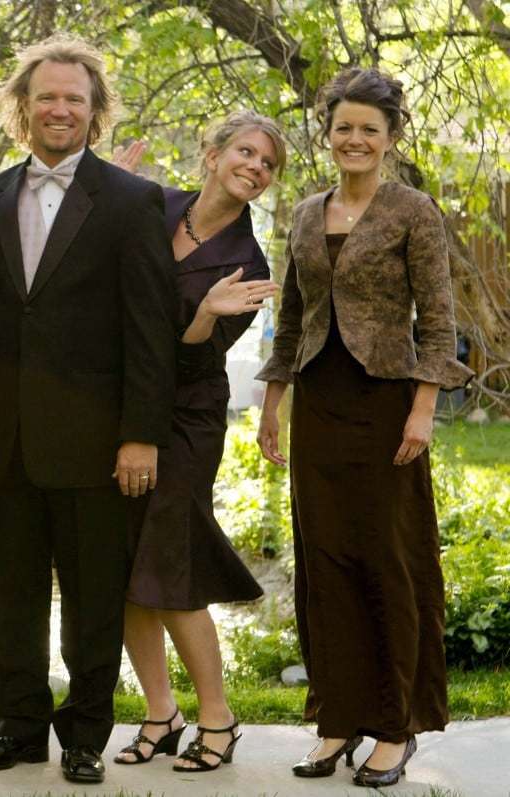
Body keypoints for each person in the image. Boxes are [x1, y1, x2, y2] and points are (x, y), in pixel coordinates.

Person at [0, 35, 177, 784]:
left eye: (74, 99)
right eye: (46, 96)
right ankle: (17, 727)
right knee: (9, 595)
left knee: (90, 602)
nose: (60, 109)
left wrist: (141, 435)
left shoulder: (131, 200)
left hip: (96, 444)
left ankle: (85, 733)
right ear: (22, 106)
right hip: (5, 442)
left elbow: (151, 328)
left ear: (95, 112)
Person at [255, 67, 472, 788]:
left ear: (390, 138)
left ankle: (394, 724)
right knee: (325, 563)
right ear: (329, 134)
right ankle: (337, 721)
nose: (354, 139)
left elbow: (438, 319)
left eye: (368, 130)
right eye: (343, 127)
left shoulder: (413, 210)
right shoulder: (304, 210)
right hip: (318, 401)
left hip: (385, 406)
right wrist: (270, 402)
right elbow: (289, 318)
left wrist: (421, 407)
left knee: (389, 560)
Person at [109, 112, 284, 773]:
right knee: (128, 569)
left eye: (268, 163)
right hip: (123, 413)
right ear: (211, 154)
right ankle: (161, 712)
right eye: (245, 151)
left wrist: (208, 313)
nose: (256, 166)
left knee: (171, 566)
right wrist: (104, 199)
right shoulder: (151, 207)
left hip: (185, 419)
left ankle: (218, 716)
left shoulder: (248, 263)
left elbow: (192, 363)